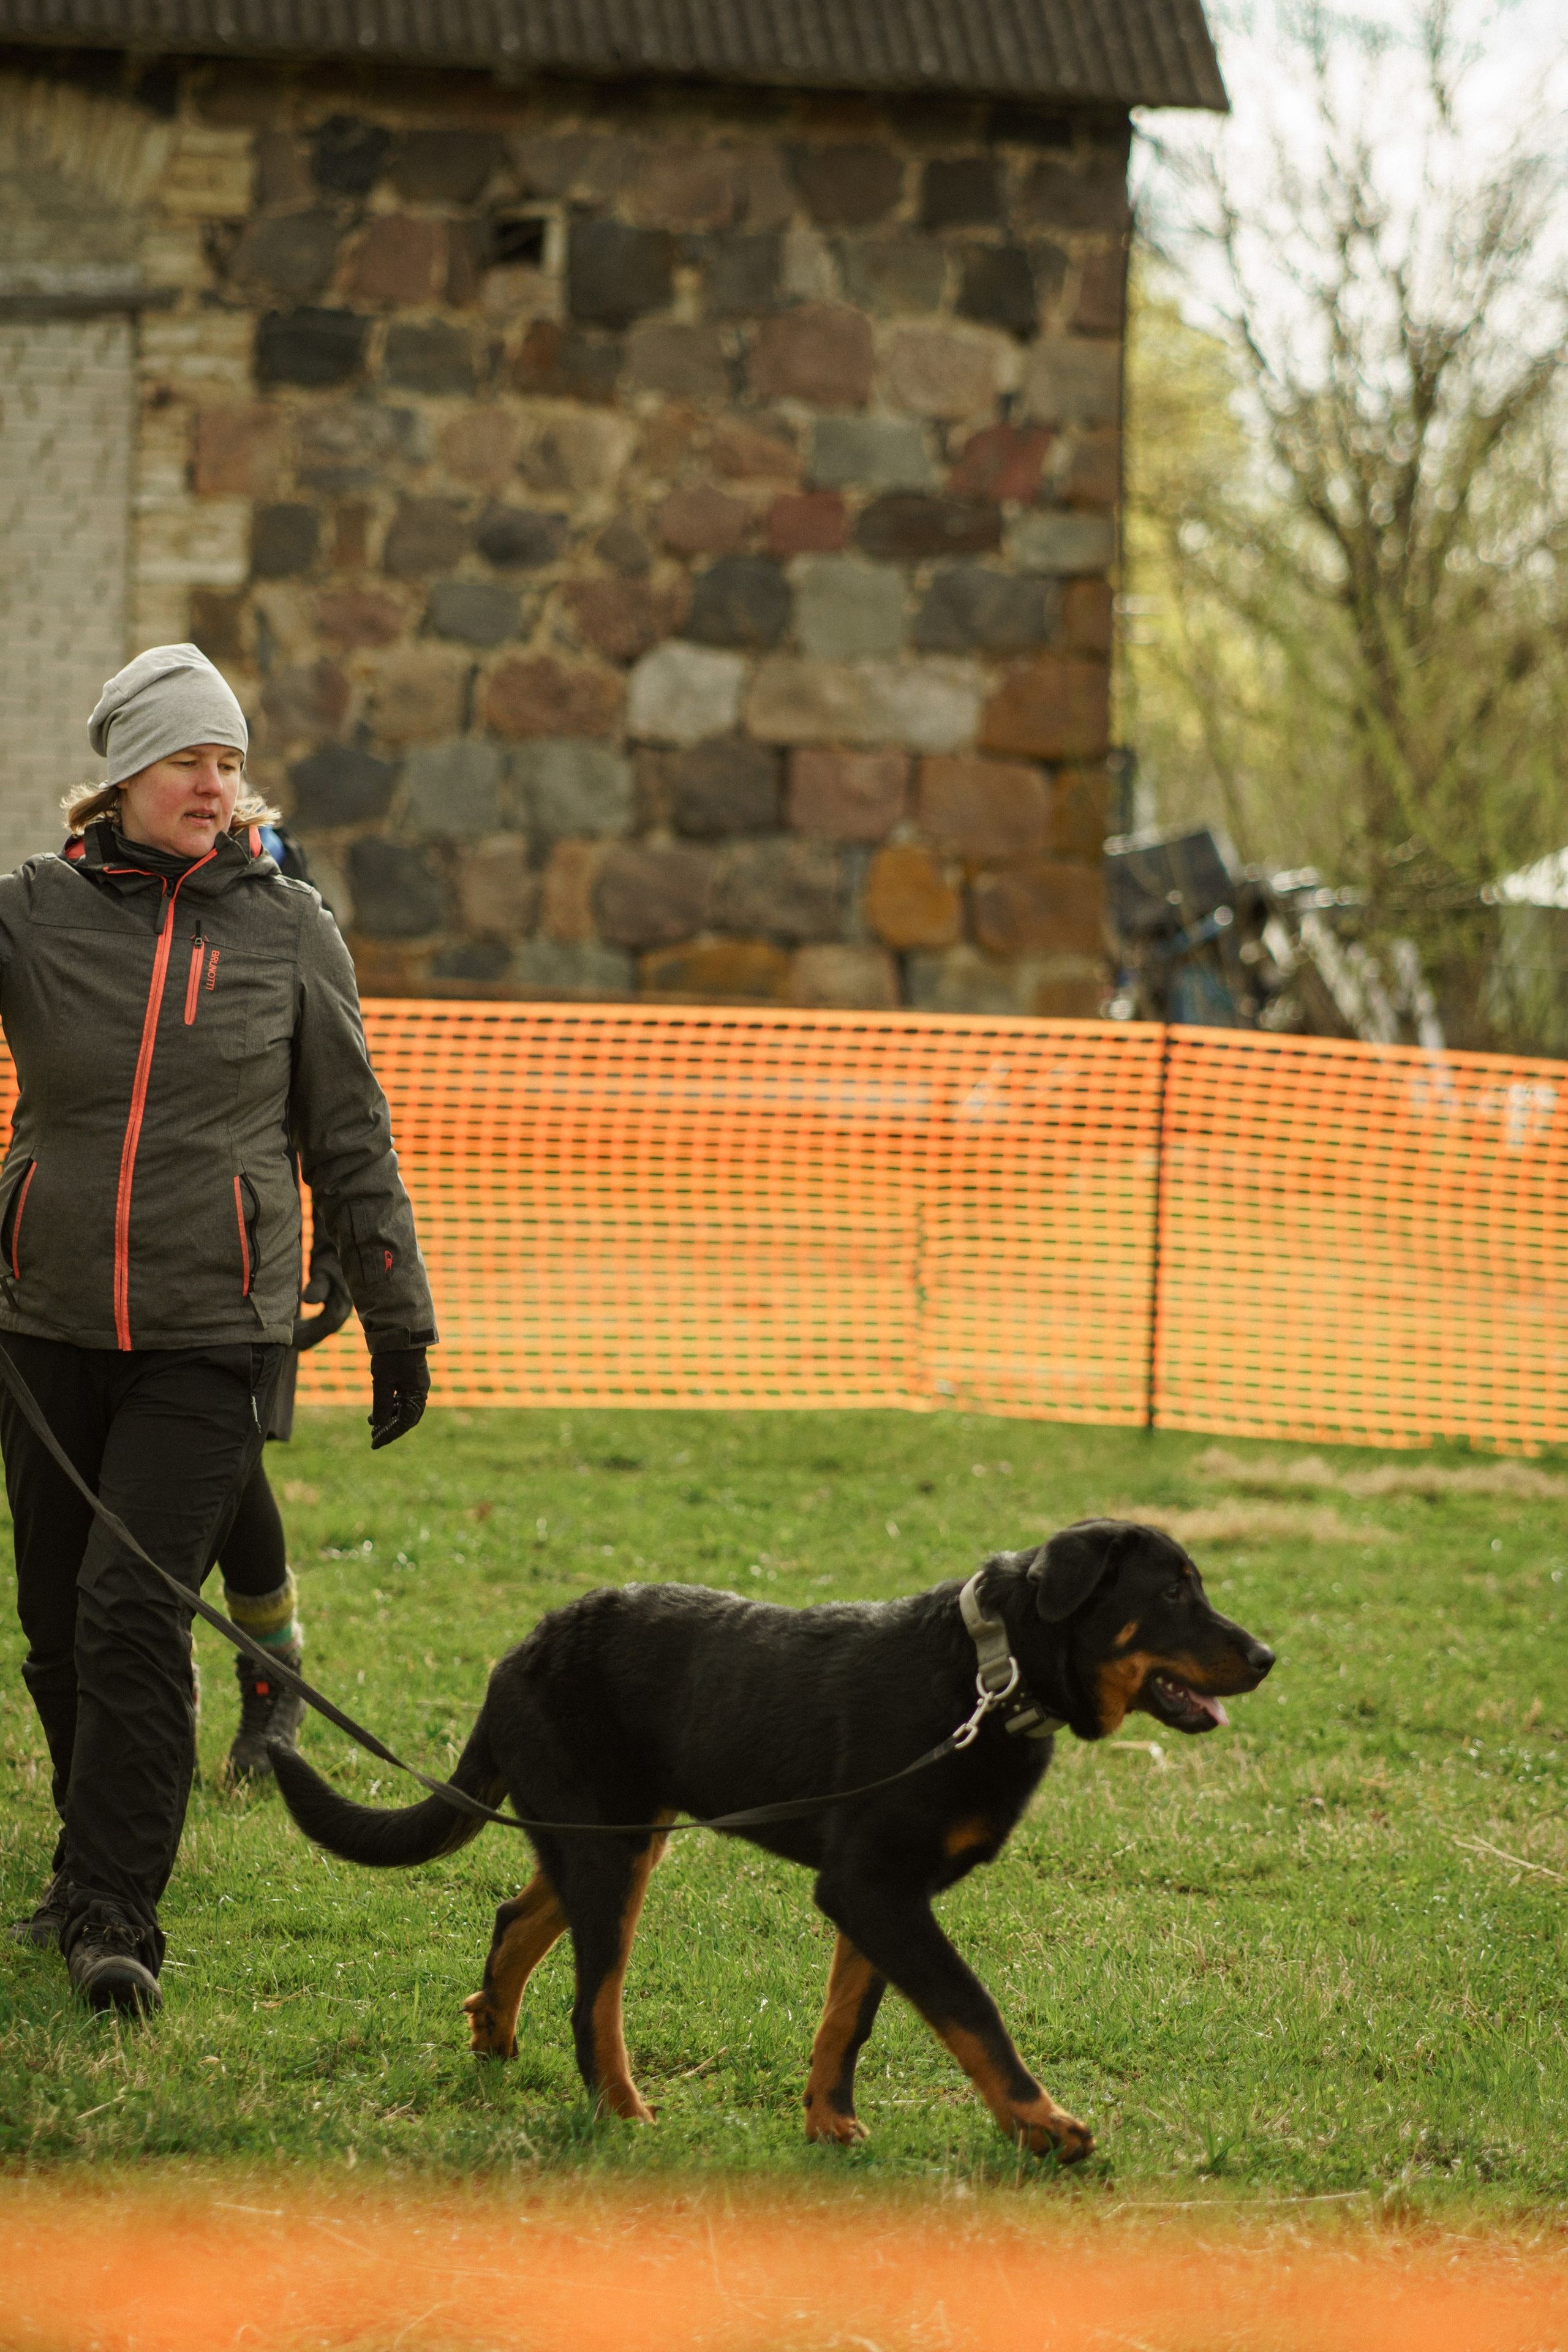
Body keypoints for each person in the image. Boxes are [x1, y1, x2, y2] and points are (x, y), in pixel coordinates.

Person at [0, 644, 437, 2018]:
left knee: (133, 1611)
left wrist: (393, 1313)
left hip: (211, 1331)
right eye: (189, 757)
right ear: (123, 773)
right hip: (45, 1323)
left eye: (231, 760)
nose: (216, 782)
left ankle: (116, 1919)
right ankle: (87, 1870)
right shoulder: (32, 916)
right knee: (57, 1629)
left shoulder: (285, 926)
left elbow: (348, 1129)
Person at [210, 818, 353, 1787]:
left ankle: (272, 1675)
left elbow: (336, 1102)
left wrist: (338, 1248)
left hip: (245, 1249)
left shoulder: (278, 888)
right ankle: (146, 1688)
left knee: (226, 1471)